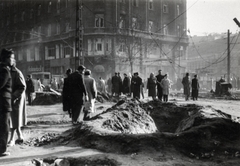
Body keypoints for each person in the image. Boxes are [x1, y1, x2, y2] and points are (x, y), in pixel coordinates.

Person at [0, 48, 15, 157]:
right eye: (12, 58)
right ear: (6, 59)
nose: (13, 60)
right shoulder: (5, 70)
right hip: (4, 102)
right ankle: (2, 150)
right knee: (4, 127)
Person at [8, 60, 27, 147]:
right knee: (14, 119)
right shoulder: (5, 72)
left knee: (13, 118)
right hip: (9, 98)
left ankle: (11, 139)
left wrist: (13, 96)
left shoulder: (17, 73)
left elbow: (22, 87)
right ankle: (20, 136)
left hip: (16, 99)